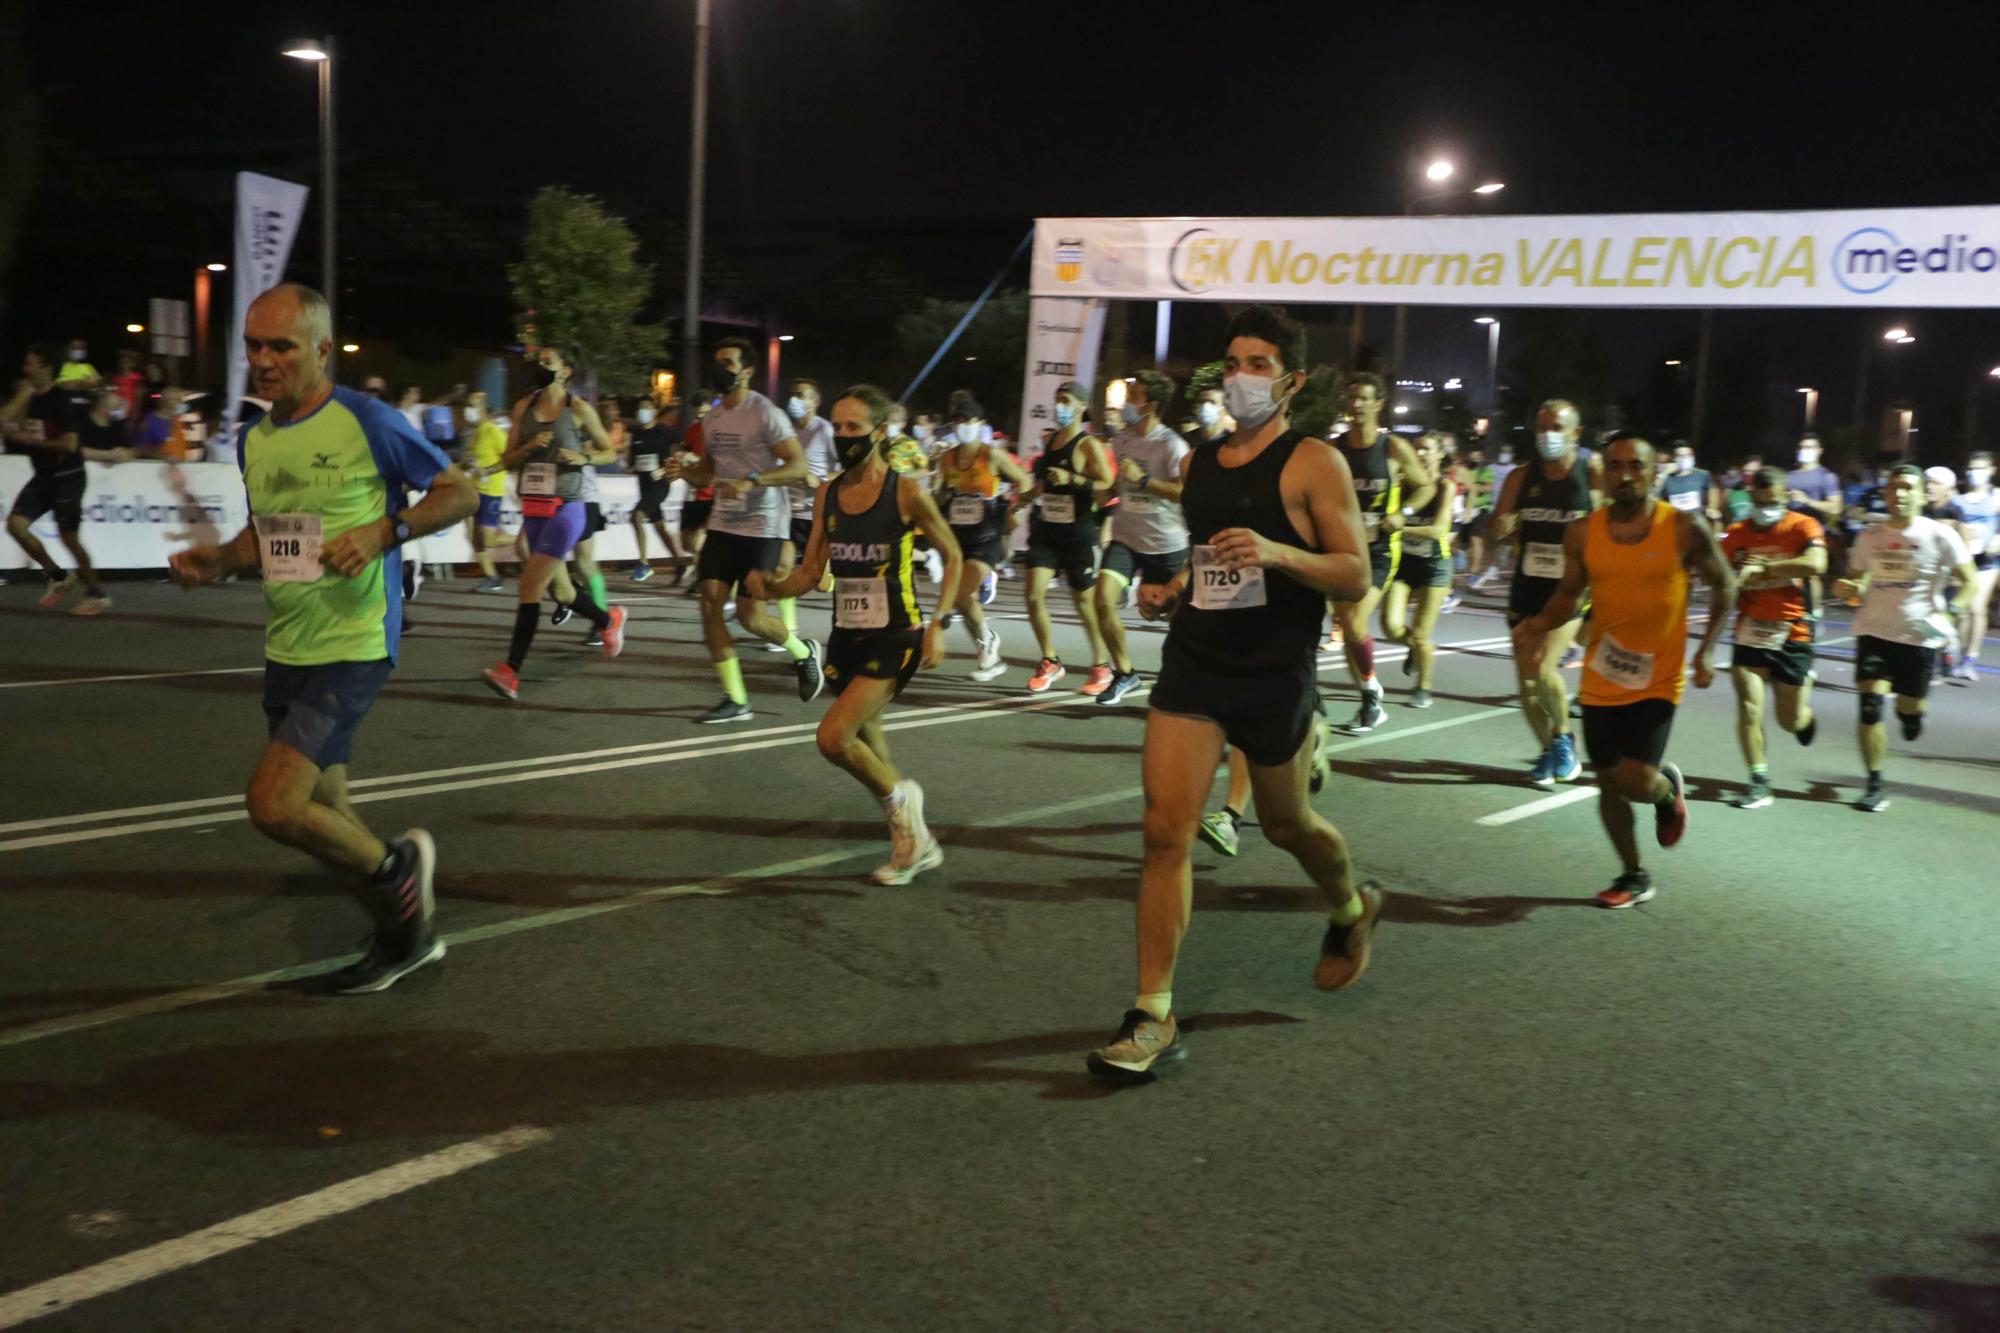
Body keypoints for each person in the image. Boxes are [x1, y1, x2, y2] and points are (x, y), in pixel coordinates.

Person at [1087, 304, 1380, 1080]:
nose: (1239, 376)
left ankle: (1353, 906)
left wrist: (1283, 551)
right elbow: (1218, 566)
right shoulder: (1202, 464)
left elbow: (1356, 571)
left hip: (1274, 672)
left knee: (1289, 826)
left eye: (1257, 363)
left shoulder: (1314, 461)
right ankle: (1152, 1012)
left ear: (1290, 378)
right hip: (1197, 662)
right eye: (1232, 361)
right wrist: (1175, 590)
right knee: (1162, 832)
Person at [167, 283, 477, 992]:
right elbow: (267, 535)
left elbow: (460, 493)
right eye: (253, 345)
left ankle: (398, 878)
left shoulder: (367, 420)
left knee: (274, 804)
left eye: (281, 345)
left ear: (323, 350)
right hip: (289, 643)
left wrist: (382, 531)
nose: (264, 359)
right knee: (325, 807)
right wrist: (219, 559)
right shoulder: (256, 437)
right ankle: (406, 934)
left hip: (354, 639)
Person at [750, 384, 962, 884]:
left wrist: (939, 624)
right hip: (848, 633)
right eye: (839, 427)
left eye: (854, 428)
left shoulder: (907, 492)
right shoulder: (828, 493)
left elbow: (953, 556)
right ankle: (910, 838)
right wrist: (769, 588)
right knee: (870, 741)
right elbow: (809, 574)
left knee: (833, 737)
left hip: (896, 634)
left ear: (880, 432)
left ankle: (908, 813)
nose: (843, 437)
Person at [1513, 434, 1732, 909]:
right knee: (1608, 781)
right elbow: (1569, 595)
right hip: (1602, 673)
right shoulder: (1582, 532)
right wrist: (1538, 625)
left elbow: (1725, 585)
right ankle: (1633, 873)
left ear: (1654, 473)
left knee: (1634, 780)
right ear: (1603, 474)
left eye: (1636, 465)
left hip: (1659, 675)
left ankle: (1662, 791)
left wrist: (1707, 652)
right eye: (1614, 466)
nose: (1625, 474)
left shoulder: (1683, 528)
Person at [663, 336, 822, 723]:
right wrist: (684, 471)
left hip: (764, 526)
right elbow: (709, 471)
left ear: (747, 371)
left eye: (729, 363)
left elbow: (798, 467)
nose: (721, 369)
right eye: (717, 361)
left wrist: (753, 480)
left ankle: (804, 652)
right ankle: (736, 698)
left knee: (752, 618)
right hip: (722, 522)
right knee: (709, 605)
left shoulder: (765, 413)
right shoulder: (713, 417)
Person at [478, 343, 627, 700]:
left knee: (529, 587)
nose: (540, 366)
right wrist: (528, 449)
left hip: (567, 507)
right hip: (534, 508)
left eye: (548, 362)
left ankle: (510, 672)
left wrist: (583, 456)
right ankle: (609, 620)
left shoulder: (577, 409)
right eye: (539, 361)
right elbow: (509, 459)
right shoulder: (523, 407)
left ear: (565, 372)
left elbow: (609, 450)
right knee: (561, 591)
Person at [1836, 465, 1976, 813]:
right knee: (1870, 706)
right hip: (1874, 630)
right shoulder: (1869, 536)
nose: (1899, 494)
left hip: (1919, 634)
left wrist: (1953, 611)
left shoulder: (1940, 535)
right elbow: (1855, 580)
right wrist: (1848, 588)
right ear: (1885, 494)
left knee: (1908, 708)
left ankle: (1912, 715)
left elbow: (1969, 581)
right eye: (1893, 487)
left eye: (1907, 488)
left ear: (1921, 494)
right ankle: (1875, 782)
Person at [1491, 400, 1599, 785]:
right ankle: (1549, 746)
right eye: (1541, 427)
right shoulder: (1522, 476)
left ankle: (1565, 739)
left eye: (1556, 427)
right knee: (1526, 681)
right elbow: (1497, 524)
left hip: (1570, 588)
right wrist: (1504, 526)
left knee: (1544, 666)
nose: (1547, 435)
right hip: (1527, 585)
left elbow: (1609, 523)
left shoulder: (1592, 472)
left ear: (1575, 433)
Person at [1328, 371, 1435, 734]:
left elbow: (1425, 487)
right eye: (1351, 397)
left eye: (1364, 398)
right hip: (1342, 549)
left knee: (1355, 623)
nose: (1356, 404)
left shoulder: (1393, 448)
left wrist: (1400, 515)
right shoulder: (1334, 449)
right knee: (1348, 626)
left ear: (1379, 405)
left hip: (1379, 552)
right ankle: (1368, 695)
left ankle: (1372, 692)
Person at [1720, 467, 1826, 809]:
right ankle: (1759, 780)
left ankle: (1804, 710)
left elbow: (1816, 563)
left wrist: (1765, 569)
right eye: (1761, 500)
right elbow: (1721, 577)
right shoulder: (1736, 533)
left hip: (1792, 629)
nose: (1768, 507)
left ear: (1785, 497)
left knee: (1788, 719)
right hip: (1751, 628)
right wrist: (1733, 578)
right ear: (1751, 497)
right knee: (1750, 708)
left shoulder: (1802, 525)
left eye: (1775, 501)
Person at [1093, 369, 1192, 706]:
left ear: (1150, 405)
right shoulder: (1120, 440)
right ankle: (1124, 673)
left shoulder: (1171, 445)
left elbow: (1184, 493)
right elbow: (1115, 486)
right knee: (1102, 600)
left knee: (1178, 622)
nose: (1125, 404)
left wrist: (1146, 481)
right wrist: (1103, 491)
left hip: (1165, 544)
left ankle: (1187, 680)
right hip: (1125, 539)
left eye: (1133, 397)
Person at [1019, 380, 1114, 694]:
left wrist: (1073, 478)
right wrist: (1019, 502)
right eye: (1056, 399)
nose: (1058, 405)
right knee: (1033, 595)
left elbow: (1106, 484)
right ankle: (1050, 660)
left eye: (1065, 400)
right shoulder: (1052, 440)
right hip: (1047, 530)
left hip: (1078, 533)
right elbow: (1046, 484)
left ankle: (1101, 665)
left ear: (1081, 406)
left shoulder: (1088, 445)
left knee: (1084, 602)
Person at [2, 345, 111, 614]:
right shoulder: (30, 398)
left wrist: (29, 440)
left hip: (68, 478)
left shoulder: (60, 400)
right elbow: (4, 421)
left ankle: (97, 594)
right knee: (15, 526)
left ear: (46, 368)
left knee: (69, 538)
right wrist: (22, 397)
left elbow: (70, 444)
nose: (26, 369)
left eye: (31, 364)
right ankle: (58, 576)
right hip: (43, 476)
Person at [935, 399, 1028, 680]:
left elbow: (1023, 482)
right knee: (966, 600)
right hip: (957, 534)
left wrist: (1013, 511)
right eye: (958, 422)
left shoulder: (992, 456)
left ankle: (949, 617)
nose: (963, 426)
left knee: (960, 593)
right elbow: (941, 493)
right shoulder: (947, 458)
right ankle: (987, 644)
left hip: (987, 534)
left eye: (968, 421)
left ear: (980, 425)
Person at [1381, 431, 1457, 708]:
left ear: (1440, 454)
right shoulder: (1401, 485)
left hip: (1434, 565)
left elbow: (1438, 530)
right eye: (1417, 449)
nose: (1421, 454)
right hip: (1404, 563)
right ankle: (1415, 648)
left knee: (1422, 632)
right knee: (1390, 626)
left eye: (1427, 449)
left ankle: (1423, 687)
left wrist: (1400, 527)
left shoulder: (1444, 486)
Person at [784, 377, 843, 608]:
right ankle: (788, 632)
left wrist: (818, 480)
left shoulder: (824, 429)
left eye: (801, 395)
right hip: (789, 512)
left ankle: (849, 584)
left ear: (815, 402)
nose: (794, 400)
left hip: (816, 513)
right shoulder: (786, 432)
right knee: (783, 568)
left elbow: (846, 470)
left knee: (820, 582)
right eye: (793, 394)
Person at [627, 400, 689, 582]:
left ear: (654, 412)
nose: (642, 412)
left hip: (660, 483)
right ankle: (680, 563)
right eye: (639, 409)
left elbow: (683, 448)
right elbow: (634, 459)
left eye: (646, 409)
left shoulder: (664, 431)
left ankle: (644, 565)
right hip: (644, 484)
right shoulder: (636, 433)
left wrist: (666, 468)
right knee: (658, 526)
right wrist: (630, 467)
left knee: (636, 516)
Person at [459, 390, 512, 593]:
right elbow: (469, 463)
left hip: (492, 490)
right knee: (473, 537)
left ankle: (527, 539)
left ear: (482, 407)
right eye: (467, 405)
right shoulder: (475, 433)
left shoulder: (493, 431)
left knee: (488, 540)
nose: (467, 410)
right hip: (474, 490)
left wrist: (487, 471)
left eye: (472, 405)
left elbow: (508, 458)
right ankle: (492, 577)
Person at [1952, 451, 1998, 681]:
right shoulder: (1957, 500)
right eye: (1971, 468)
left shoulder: (1997, 497)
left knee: (1977, 607)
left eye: (1980, 468)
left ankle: (1970, 658)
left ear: (1991, 471)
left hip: (1989, 561)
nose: (1974, 473)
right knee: (1961, 611)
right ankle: (1958, 653)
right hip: (1964, 559)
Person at [1657, 441, 1721, 522]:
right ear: (1674, 458)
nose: (1685, 459)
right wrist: (1664, 473)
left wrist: (1712, 508)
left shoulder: (1702, 475)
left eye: (1688, 455)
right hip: (1675, 522)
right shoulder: (1666, 478)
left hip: (1698, 522)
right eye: (1681, 456)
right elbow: (1654, 493)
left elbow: (1713, 490)